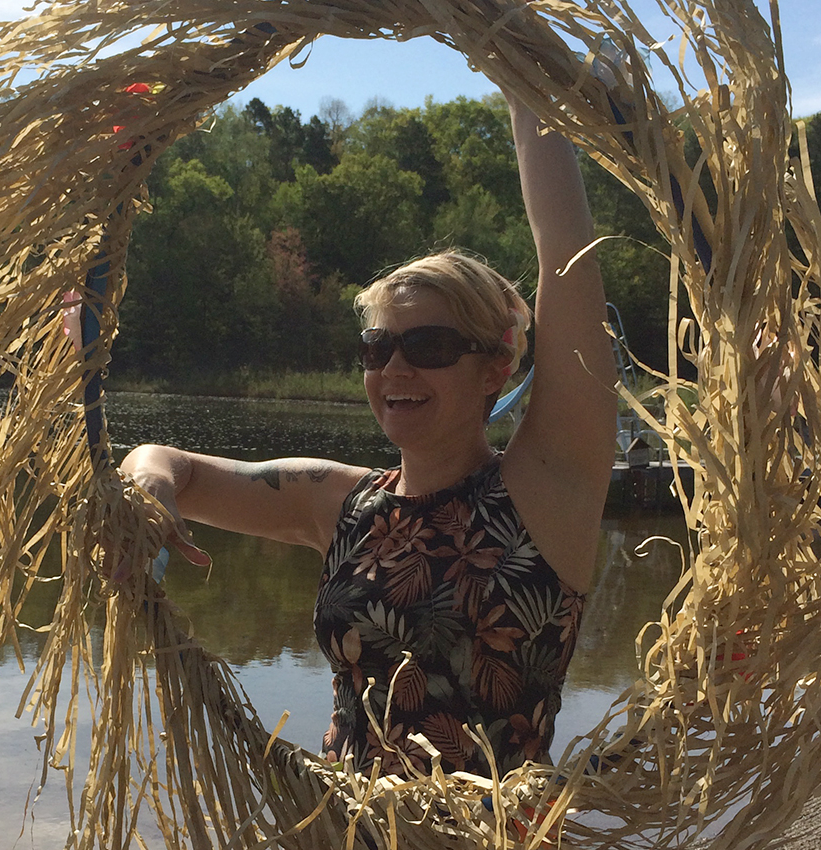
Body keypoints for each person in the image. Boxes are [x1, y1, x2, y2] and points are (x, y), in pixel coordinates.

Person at [117, 96, 617, 777]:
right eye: (377, 348)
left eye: (430, 346)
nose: (396, 369)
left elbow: (566, 255)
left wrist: (521, 84)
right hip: (339, 824)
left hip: (494, 826)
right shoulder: (341, 504)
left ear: (495, 367)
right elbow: (170, 463)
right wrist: (148, 482)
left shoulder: (546, 488)